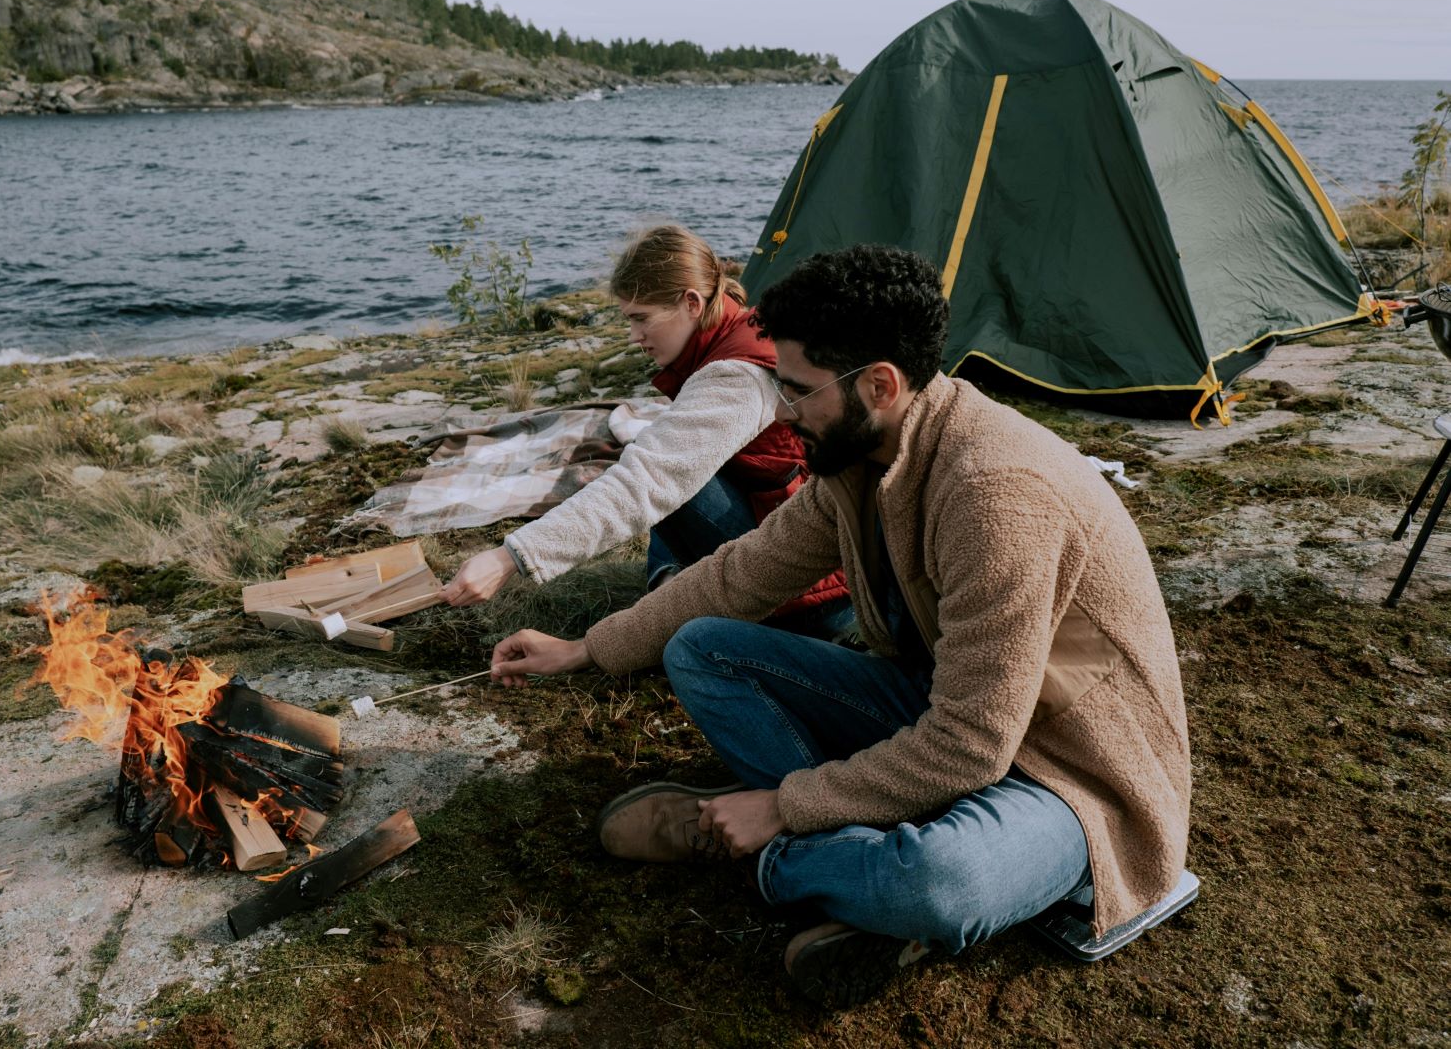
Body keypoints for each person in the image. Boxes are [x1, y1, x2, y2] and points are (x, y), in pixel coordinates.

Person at [487, 245, 1191, 1007]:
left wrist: (782, 807)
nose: (784, 411)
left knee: (939, 881)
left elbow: (973, 745)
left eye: (796, 389)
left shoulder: (995, 493)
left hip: (1071, 769)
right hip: (944, 710)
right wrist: (589, 648)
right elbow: (741, 572)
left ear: (879, 385)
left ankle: (779, 855)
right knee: (702, 648)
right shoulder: (864, 456)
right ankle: (853, 864)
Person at [441, 223, 849, 637]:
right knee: (663, 453)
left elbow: (646, 482)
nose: (635, 336)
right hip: (794, 538)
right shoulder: (736, 332)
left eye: (642, 319)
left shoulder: (738, 376)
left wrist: (509, 558)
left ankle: (684, 603)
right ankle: (672, 587)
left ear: (691, 302)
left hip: (813, 595)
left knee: (658, 470)